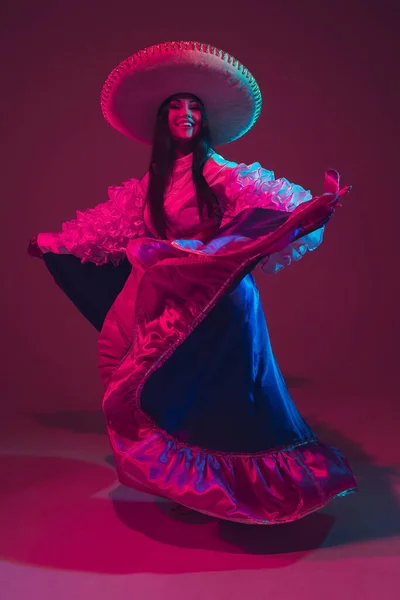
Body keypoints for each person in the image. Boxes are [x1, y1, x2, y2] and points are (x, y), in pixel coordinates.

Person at [28, 41, 357, 524]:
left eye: (195, 107)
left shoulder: (216, 171)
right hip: (168, 299)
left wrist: (305, 211)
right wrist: (59, 242)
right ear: (163, 120)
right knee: (148, 378)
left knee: (228, 396)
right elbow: (109, 225)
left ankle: (245, 487)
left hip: (218, 299)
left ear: (204, 120)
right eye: (176, 107)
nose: (185, 114)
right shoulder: (151, 182)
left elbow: (275, 202)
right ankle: (194, 482)